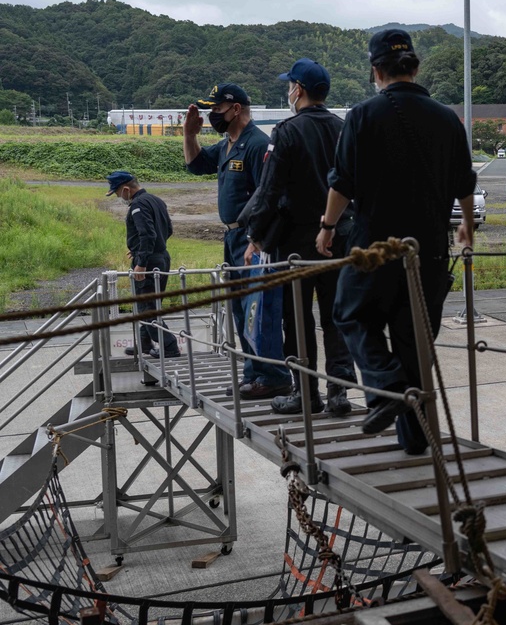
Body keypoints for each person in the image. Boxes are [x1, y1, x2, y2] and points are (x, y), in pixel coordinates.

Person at [317, 29, 476, 454]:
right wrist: (466, 224)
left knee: (350, 313)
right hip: (429, 249)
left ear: (376, 70)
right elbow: (465, 179)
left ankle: (385, 388)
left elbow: (342, 182)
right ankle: (417, 442)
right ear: (416, 66)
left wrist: (328, 227)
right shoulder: (447, 118)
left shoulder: (364, 115)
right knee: (414, 343)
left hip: (376, 246)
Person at [245, 58, 357, 416]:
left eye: (290, 85)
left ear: (299, 90)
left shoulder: (287, 130)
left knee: (297, 317)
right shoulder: (343, 128)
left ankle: (305, 392)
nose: (288, 90)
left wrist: (255, 234)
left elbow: (269, 188)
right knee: (336, 316)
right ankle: (339, 392)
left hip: (296, 240)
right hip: (338, 234)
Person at [183, 83, 292, 400]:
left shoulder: (257, 144)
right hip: (231, 236)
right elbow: (196, 165)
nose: (212, 115)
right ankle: (254, 373)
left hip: (251, 238)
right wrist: (189, 135)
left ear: (235, 109)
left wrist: (256, 240)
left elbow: (268, 196)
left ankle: (273, 375)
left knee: (257, 309)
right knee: (240, 309)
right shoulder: (227, 144)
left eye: (216, 109)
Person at [106, 171, 181, 359]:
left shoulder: (137, 205)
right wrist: (141, 249)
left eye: (117, 193)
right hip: (162, 257)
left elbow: (147, 234)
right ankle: (145, 343)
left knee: (147, 307)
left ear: (126, 189)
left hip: (149, 262)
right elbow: (167, 230)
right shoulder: (156, 200)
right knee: (150, 304)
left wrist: (141, 261)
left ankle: (170, 346)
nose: (118, 197)